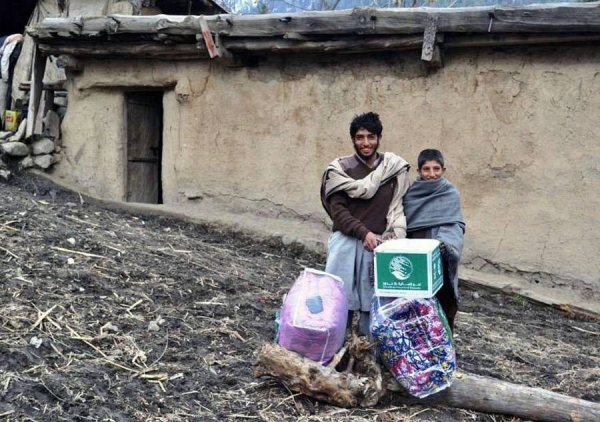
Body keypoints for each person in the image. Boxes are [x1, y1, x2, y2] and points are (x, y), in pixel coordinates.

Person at [320, 112, 411, 336]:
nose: (366, 143)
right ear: (353, 140)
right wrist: (363, 233)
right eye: (360, 137)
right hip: (347, 244)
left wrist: (388, 238)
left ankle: (367, 357)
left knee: (374, 305)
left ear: (380, 137)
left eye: (371, 137)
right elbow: (338, 212)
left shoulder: (394, 169)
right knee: (339, 303)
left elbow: (400, 208)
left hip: (379, 246)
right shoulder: (340, 170)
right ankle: (335, 353)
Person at [403, 149, 465, 333]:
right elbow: (403, 223)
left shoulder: (450, 193)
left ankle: (442, 342)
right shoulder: (410, 194)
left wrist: (442, 244)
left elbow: (456, 226)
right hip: (415, 256)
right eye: (426, 169)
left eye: (436, 169)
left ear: (443, 170)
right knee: (414, 303)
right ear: (419, 171)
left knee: (441, 302)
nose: (432, 174)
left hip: (440, 255)